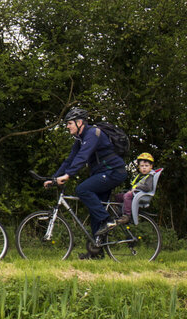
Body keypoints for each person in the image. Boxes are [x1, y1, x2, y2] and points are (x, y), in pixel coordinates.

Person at [46, 108, 128, 259]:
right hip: (102, 174)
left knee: (82, 189)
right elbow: (70, 160)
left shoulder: (93, 133)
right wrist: (54, 178)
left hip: (114, 172)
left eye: (69, 123)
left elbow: (82, 157)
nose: (67, 126)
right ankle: (96, 253)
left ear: (79, 122)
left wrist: (68, 175)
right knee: (95, 211)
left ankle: (108, 220)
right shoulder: (80, 139)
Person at [106, 152, 157, 231]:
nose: (144, 168)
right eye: (142, 166)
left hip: (141, 194)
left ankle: (127, 215)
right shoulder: (140, 176)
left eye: (146, 166)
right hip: (135, 193)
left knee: (127, 196)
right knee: (118, 196)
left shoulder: (149, 176)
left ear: (151, 166)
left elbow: (148, 187)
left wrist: (137, 187)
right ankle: (120, 213)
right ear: (139, 167)